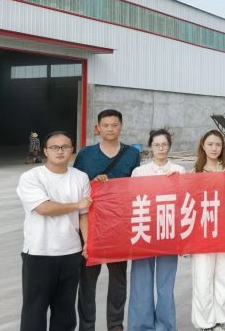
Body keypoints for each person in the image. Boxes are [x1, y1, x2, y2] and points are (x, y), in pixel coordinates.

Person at [17, 131, 92, 331]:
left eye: (65, 147)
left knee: (65, 312)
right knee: (35, 310)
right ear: (45, 151)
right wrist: (76, 204)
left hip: (71, 252)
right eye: (54, 147)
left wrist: (87, 242)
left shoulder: (81, 177)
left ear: (72, 150)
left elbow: (84, 215)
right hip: (39, 253)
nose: (60, 151)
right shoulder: (32, 177)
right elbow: (43, 208)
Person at [74, 109, 141, 331]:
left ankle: (115, 326)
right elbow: (75, 186)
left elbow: (138, 185)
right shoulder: (86, 155)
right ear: (98, 128)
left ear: (121, 126)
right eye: (106, 125)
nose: (110, 129)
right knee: (87, 280)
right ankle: (87, 326)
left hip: (119, 225)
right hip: (91, 225)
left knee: (118, 280)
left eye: (114, 125)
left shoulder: (132, 153)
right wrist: (94, 183)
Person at [127, 129, 185, 331]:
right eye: (157, 144)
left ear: (169, 146)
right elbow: (131, 200)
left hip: (168, 230)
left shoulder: (179, 170)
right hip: (144, 229)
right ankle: (141, 326)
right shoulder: (139, 172)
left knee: (165, 283)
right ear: (150, 146)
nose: (161, 148)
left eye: (164, 144)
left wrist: (178, 181)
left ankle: (165, 326)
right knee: (141, 281)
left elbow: (184, 200)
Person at [190, 130, 225, 331]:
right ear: (203, 146)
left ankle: (219, 320)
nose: (214, 148)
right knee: (203, 279)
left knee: (224, 277)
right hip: (202, 233)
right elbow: (188, 204)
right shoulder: (195, 173)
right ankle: (205, 323)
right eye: (210, 144)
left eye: (218, 144)